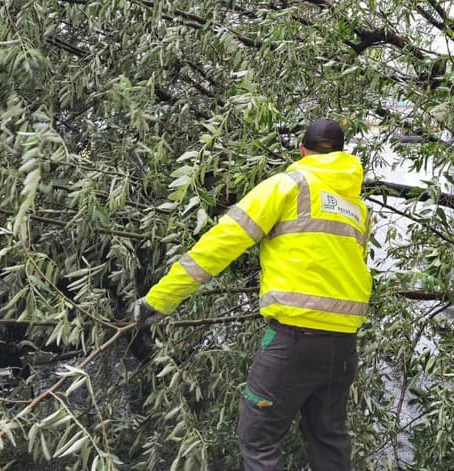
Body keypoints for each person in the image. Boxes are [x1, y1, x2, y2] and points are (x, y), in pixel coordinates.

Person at [133, 118, 373, 470]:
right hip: (342, 346)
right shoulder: (358, 210)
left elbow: (220, 244)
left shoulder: (288, 185)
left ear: (302, 151)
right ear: (341, 154)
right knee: (329, 440)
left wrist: (160, 299)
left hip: (294, 339)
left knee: (258, 440)